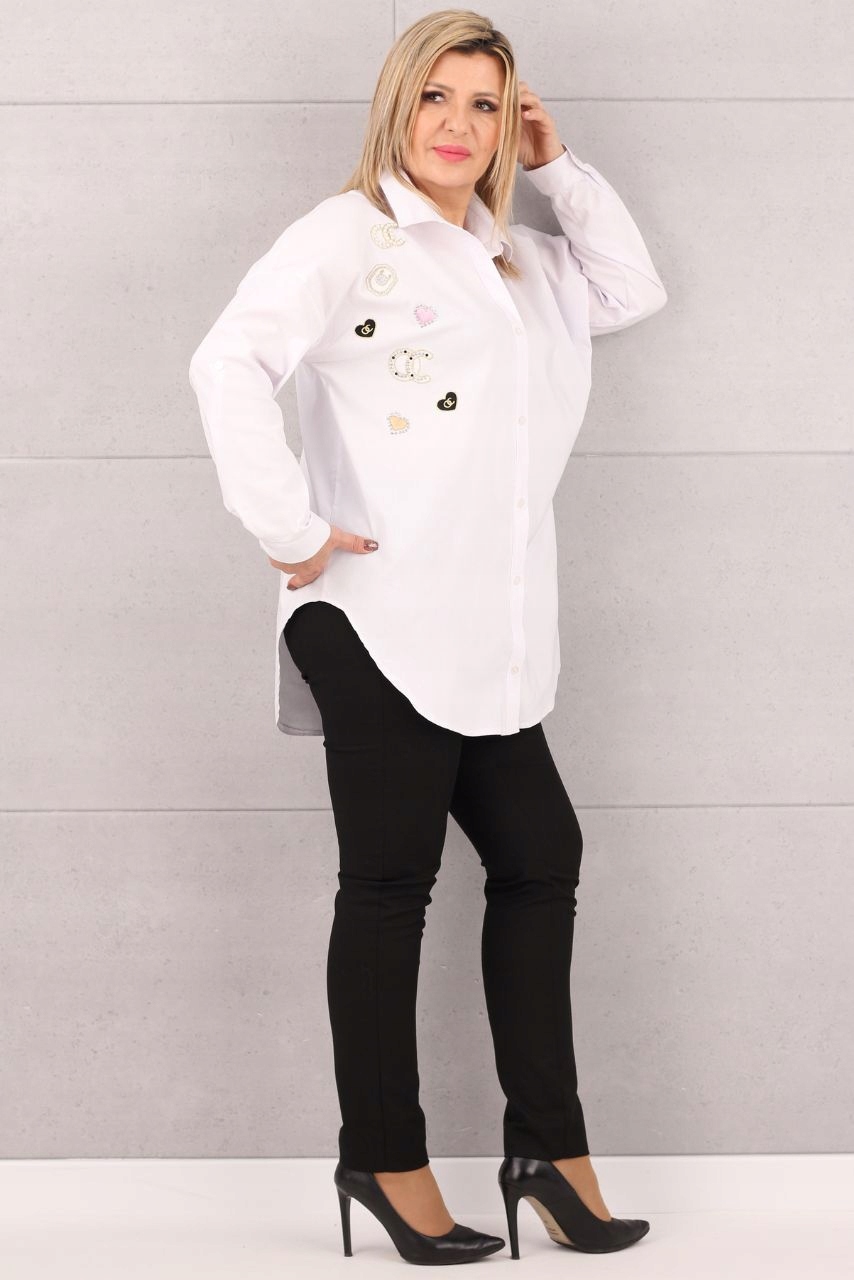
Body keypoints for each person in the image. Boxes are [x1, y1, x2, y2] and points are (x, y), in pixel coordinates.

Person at [188, 7, 666, 1266]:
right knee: (390, 882)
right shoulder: (346, 236)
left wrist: (557, 167)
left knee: (540, 853)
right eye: (435, 97)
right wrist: (290, 529)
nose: (457, 125)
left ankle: (546, 1151)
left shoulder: (521, 265)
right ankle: (384, 1156)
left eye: (484, 105)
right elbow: (226, 363)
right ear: (395, 107)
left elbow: (631, 288)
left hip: (486, 627)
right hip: (371, 615)